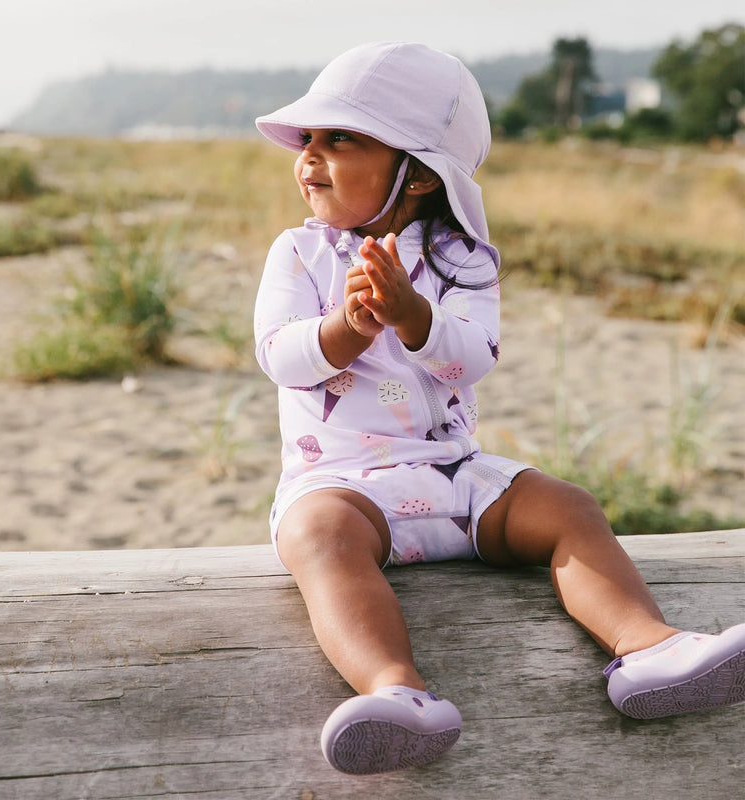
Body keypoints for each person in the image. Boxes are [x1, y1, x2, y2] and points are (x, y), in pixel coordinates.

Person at [252, 41, 745, 775]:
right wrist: (347, 327)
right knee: (316, 538)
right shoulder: (299, 254)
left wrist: (415, 316)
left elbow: (472, 356)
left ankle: (648, 646)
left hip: (456, 478)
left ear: (417, 174)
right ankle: (398, 693)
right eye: (308, 140)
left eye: (341, 139)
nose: (309, 157)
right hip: (348, 484)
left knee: (567, 506)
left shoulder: (462, 259)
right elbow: (279, 356)